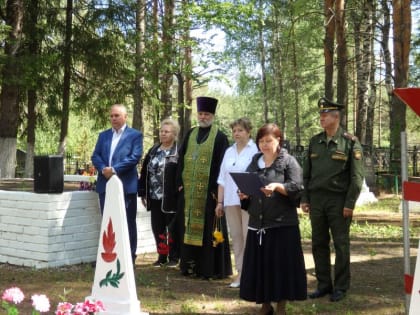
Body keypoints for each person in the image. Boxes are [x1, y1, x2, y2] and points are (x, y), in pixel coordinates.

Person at [239, 123, 307, 315]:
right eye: (261, 141)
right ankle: (265, 304)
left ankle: (281, 305)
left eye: (269, 140)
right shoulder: (255, 162)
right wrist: (244, 195)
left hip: (281, 224)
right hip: (258, 223)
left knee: (281, 267)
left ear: (279, 140)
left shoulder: (288, 161)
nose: (264, 145)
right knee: (262, 267)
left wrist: (277, 186)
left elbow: (296, 187)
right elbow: (248, 185)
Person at [301, 97, 364, 302]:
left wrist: (349, 204)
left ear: (336, 117)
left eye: (325, 114)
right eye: (321, 114)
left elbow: (356, 178)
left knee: (340, 244)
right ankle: (324, 285)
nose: (321, 117)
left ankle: (341, 287)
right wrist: (305, 198)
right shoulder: (314, 141)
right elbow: (306, 174)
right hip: (317, 200)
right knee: (318, 243)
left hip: (338, 202)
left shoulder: (350, 142)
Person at [176, 96, 232, 279]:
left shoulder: (220, 137)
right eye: (200, 113)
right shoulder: (190, 133)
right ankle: (190, 266)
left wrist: (217, 192)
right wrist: (179, 183)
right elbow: (181, 160)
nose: (203, 117)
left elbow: (222, 166)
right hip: (190, 193)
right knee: (189, 227)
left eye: (206, 114)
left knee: (210, 230)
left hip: (210, 194)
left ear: (212, 115)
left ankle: (210, 269)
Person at [91, 104, 143, 264]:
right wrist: (103, 169)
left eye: (117, 116)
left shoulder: (135, 135)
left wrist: (114, 170)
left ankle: (129, 257)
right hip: (105, 185)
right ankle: (108, 258)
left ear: (125, 116)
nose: (113, 118)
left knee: (127, 222)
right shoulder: (104, 135)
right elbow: (96, 156)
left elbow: (135, 157)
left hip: (126, 186)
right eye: (112, 116)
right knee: (108, 222)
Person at [215, 117, 258, 288]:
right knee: (237, 238)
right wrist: (219, 202)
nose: (237, 133)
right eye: (234, 130)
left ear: (248, 132)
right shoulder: (228, 151)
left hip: (250, 202)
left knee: (250, 238)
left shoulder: (255, 150)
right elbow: (222, 179)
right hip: (231, 201)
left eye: (240, 130)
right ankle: (240, 274)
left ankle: (252, 274)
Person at [138, 118, 180, 268]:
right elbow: (144, 172)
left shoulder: (178, 152)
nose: (163, 134)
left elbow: (181, 173)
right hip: (154, 196)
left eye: (166, 132)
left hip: (170, 197)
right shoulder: (153, 150)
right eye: (161, 131)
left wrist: (179, 188)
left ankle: (174, 257)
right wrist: (142, 191)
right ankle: (162, 256)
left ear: (174, 134)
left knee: (172, 227)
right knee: (158, 227)